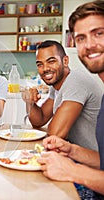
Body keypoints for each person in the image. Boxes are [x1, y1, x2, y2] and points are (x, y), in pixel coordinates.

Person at [37, 1, 104, 199]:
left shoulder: (77, 80)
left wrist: (72, 171)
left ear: (65, 61)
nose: (90, 44)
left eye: (99, 33)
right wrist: (71, 150)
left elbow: (54, 131)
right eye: (81, 38)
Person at [22, 40, 102, 151]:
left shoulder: (76, 81)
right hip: (76, 154)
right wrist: (29, 101)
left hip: (95, 161)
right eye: (40, 64)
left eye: (51, 61)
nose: (45, 69)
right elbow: (39, 120)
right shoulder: (56, 86)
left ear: (65, 61)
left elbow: (56, 133)